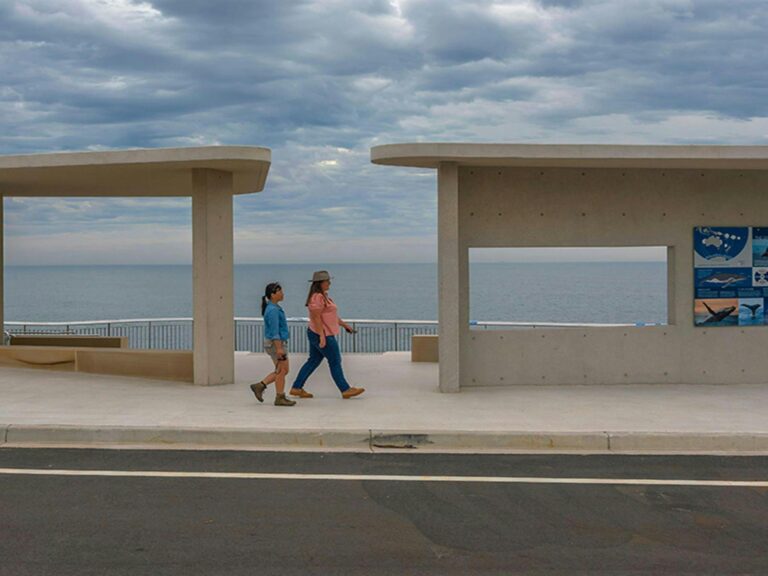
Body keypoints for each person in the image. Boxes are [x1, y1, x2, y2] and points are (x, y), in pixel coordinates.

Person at [290, 271, 365, 399]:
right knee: (335, 360)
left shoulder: (324, 296)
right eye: (327, 281)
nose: (329, 283)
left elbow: (331, 316)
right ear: (321, 283)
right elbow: (317, 317)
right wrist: (322, 336)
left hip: (319, 333)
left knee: (313, 360)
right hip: (322, 333)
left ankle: (296, 387)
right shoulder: (317, 297)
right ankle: (345, 389)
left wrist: (345, 325)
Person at [250, 282, 296, 407]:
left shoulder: (273, 308)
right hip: (276, 344)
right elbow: (274, 331)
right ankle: (279, 396)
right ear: (272, 294)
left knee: (282, 370)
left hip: (276, 343)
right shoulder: (273, 311)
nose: (282, 293)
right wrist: (279, 348)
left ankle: (260, 386)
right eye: (279, 291)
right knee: (282, 370)